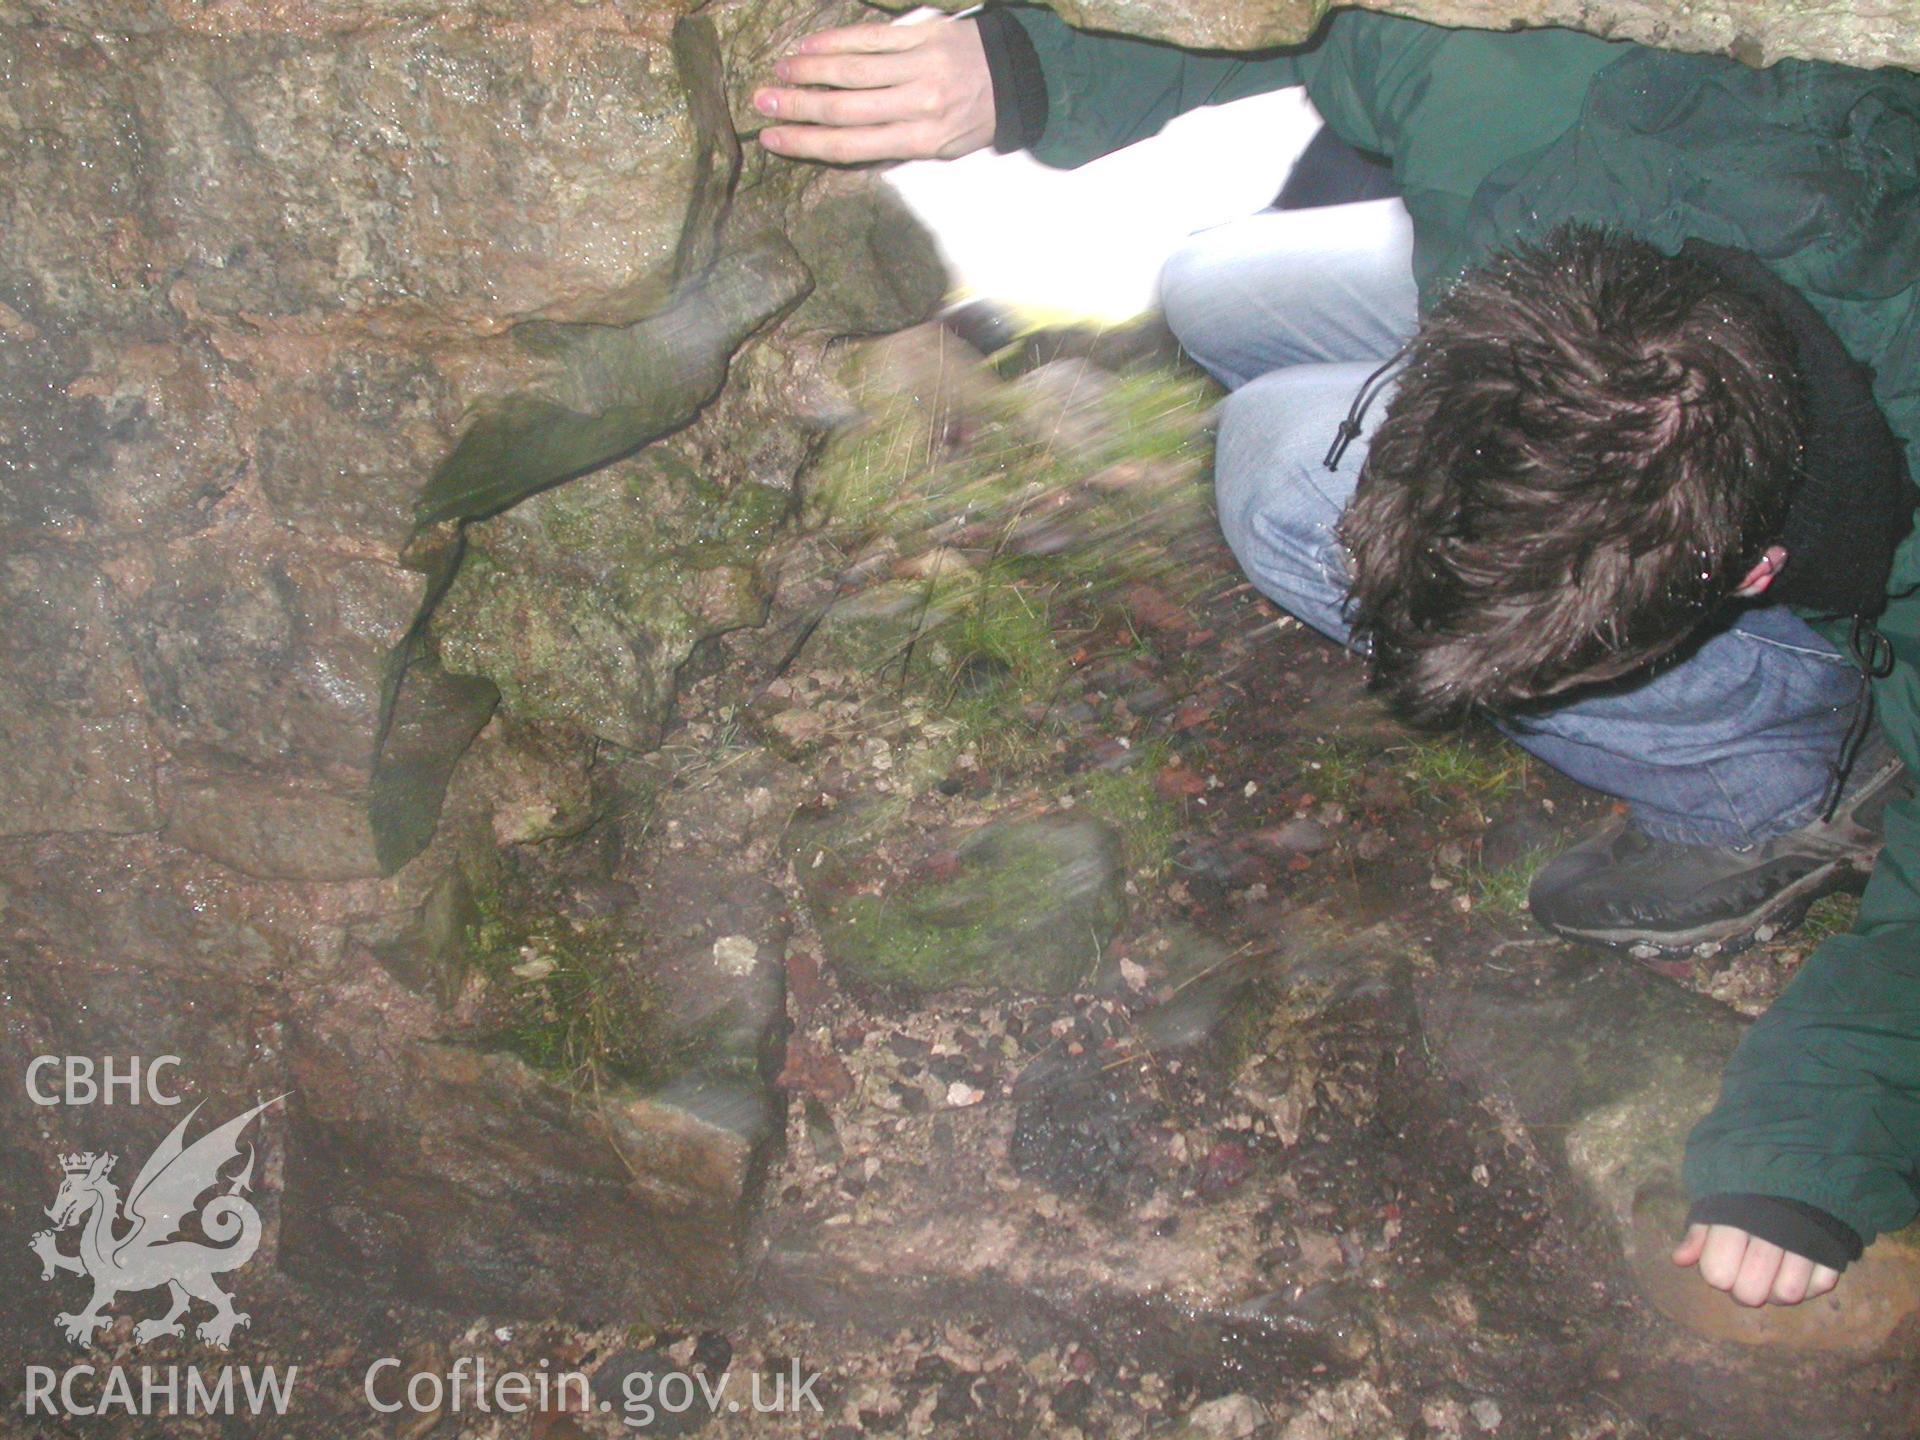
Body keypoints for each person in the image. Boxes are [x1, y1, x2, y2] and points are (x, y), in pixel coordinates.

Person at [751, 7, 1920, 1310]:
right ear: (1506, 319)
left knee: (1270, 469)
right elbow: (1308, 16)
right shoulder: (1513, 111)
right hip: (1636, 255)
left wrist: (1816, 1150)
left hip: (1832, 419)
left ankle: (1768, 782)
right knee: (1207, 287)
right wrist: (1024, 68)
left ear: (1753, 575)